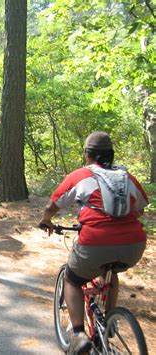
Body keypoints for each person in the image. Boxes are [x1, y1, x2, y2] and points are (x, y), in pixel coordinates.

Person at [38, 131, 148, 354]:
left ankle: (78, 334)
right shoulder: (126, 176)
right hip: (134, 245)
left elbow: (53, 205)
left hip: (95, 242)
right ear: (111, 154)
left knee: (72, 279)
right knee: (111, 271)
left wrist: (46, 220)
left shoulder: (80, 175)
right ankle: (109, 322)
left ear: (88, 155)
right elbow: (141, 208)